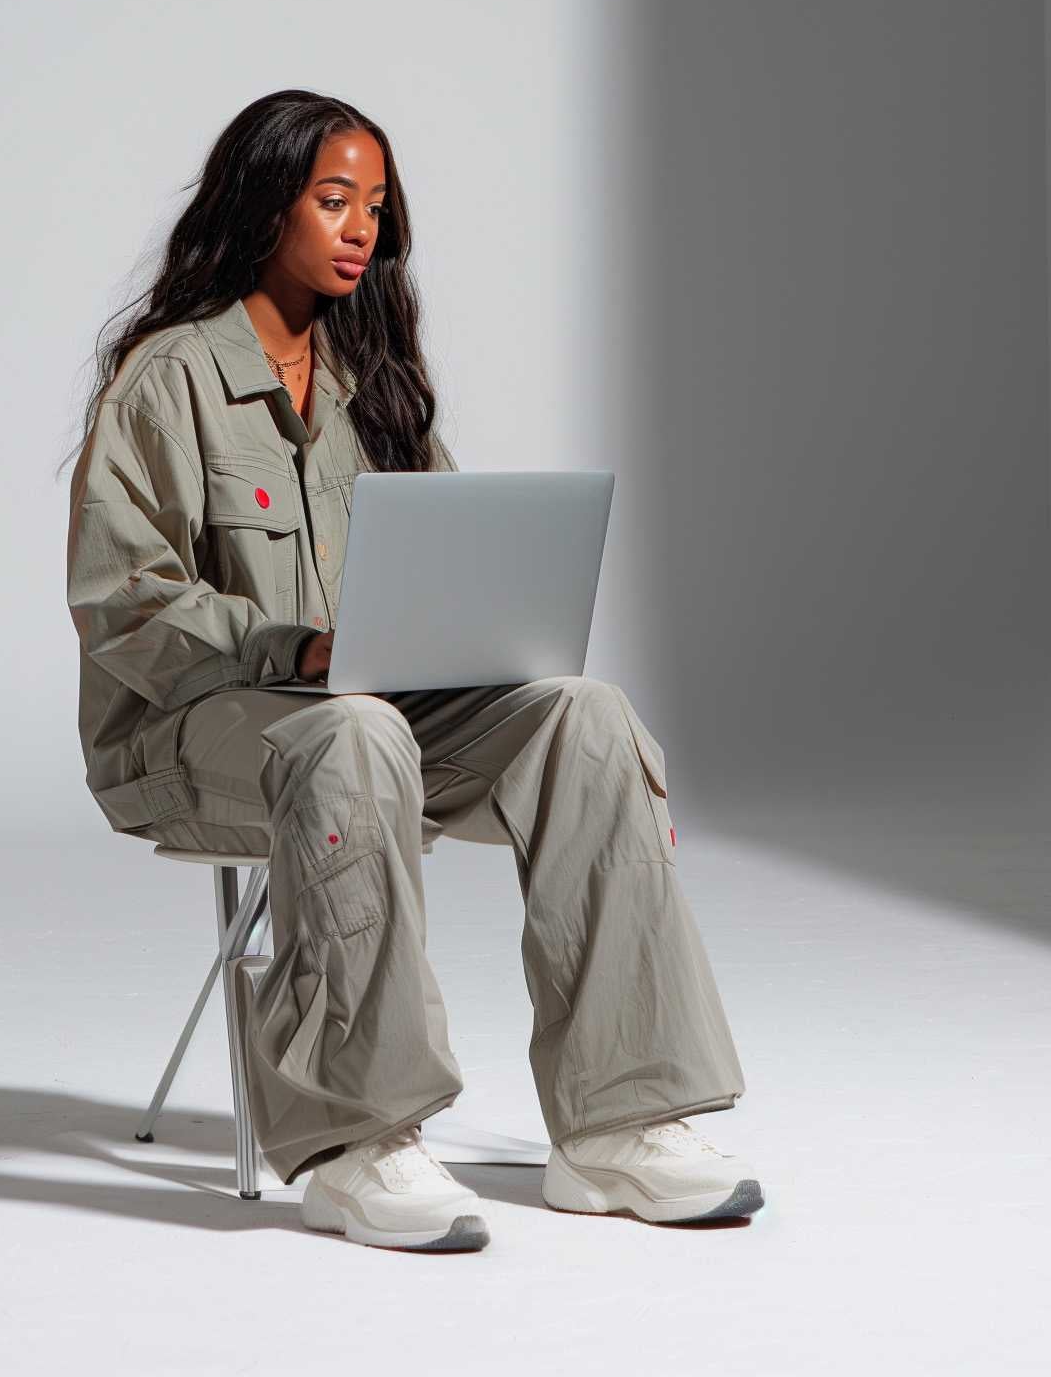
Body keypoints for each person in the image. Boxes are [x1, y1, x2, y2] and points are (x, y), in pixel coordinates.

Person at [63, 87, 759, 1253]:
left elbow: (441, 567)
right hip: (190, 733)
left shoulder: (371, 380)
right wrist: (293, 646)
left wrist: (485, 639)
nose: (360, 228)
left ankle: (620, 1125)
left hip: (374, 720)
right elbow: (122, 606)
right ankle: (360, 1140)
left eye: (375, 206)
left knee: (584, 716)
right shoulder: (167, 378)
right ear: (264, 204)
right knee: (352, 731)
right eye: (333, 199)